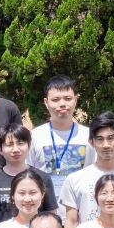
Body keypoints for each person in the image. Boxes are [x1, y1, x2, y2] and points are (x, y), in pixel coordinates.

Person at [34, 76, 92, 204]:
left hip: (80, 207)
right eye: (55, 100)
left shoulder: (88, 135)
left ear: (76, 100)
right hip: (45, 209)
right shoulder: (35, 136)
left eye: (68, 98)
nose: (62, 104)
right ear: (46, 102)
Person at [0, 125, 59, 225]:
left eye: (20, 143)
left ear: (29, 146)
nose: (16, 149)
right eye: (9, 145)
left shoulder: (43, 178)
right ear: (0, 150)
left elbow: (51, 213)